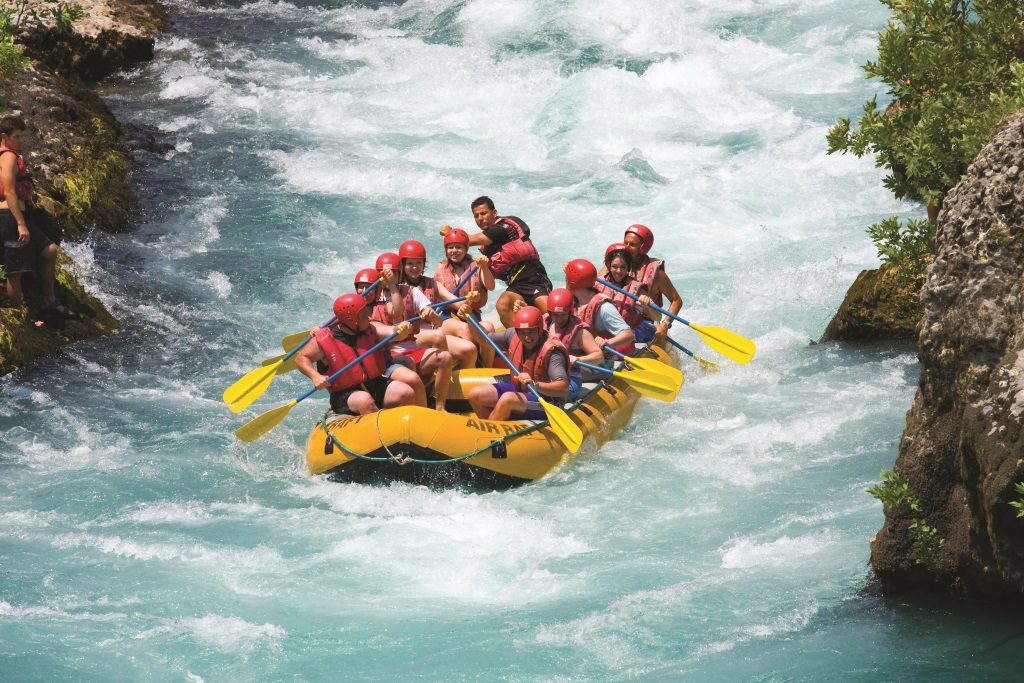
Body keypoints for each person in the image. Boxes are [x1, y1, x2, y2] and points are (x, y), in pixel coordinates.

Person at [0, 116, 78, 325]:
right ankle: (21, 320)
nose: (20, 141)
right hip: (9, 217)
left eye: (21, 136)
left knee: (49, 250)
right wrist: (21, 223)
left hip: (18, 215)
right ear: (4, 137)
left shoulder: (12, 155)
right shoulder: (7, 158)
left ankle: (49, 300)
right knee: (14, 272)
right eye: (17, 137)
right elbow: (8, 192)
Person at [294, 293, 426, 416]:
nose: (368, 317)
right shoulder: (323, 339)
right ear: (352, 320)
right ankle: (380, 436)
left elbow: (393, 332)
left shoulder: (370, 328)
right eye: (363, 314)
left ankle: (412, 427)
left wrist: (402, 329)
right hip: (345, 394)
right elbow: (301, 358)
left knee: (406, 392)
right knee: (365, 400)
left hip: (374, 383)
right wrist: (315, 376)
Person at [439, 196, 551, 327]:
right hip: (516, 284)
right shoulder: (489, 247)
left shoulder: (503, 229)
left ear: (494, 213)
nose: (480, 218)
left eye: (484, 213)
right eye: (476, 216)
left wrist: (450, 233)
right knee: (503, 304)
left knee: (550, 311)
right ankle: (520, 343)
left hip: (534, 280)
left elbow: (467, 240)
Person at [466, 306, 570, 421]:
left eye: (531, 331)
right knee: (475, 394)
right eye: (522, 332)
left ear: (540, 329)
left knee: (507, 399)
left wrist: (535, 384)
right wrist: (470, 316)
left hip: (547, 402)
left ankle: (492, 433)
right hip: (521, 391)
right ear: (517, 330)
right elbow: (483, 339)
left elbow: (563, 388)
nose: (527, 337)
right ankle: (496, 426)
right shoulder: (512, 335)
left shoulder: (553, 352)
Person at [396, 238, 478, 370]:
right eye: (410, 263)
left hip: (434, 330)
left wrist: (467, 302)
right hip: (411, 336)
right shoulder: (396, 289)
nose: (415, 267)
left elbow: (456, 302)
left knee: (470, 349)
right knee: (438, 336)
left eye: (419, 263)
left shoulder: (431, 283)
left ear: (424, 264)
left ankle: (462, 377)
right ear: (402, 265)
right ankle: (445, 370)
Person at [602, 223, 683, 340]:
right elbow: (593, 284)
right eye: (626, 243)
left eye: (633, 245)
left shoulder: (656, 273)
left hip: (644, 321)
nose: (627, 247)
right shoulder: (615, 264)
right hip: (615, 317)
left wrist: (665, 324)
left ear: (643, 247)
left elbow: (676, 300)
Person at [542, 287, 603, 402]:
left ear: (570, 312)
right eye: (555, 315)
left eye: (563, 315)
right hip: (545, 375)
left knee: (544, 396)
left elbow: (599, 356)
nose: (559, 319)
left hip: (570, 380)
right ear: (550, 313)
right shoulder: (545, 322)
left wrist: (578, 359)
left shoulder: (580, 331)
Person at [564, 258, 635, 356]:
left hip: (596, 364)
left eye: (567, 279)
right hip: (575, 360)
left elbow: (628, 335)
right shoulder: (574, 301)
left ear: (571, 283)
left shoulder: (604, 307)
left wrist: (607, 343)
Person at [595, 242, 661, 344]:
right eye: (615, 266)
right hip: (599, 336)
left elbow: (658, 316)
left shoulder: (638, 289)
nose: (618, 271)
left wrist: (647, 306)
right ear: (608, 265)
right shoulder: (597, 283)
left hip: (627, 337)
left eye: (623, 267)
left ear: (628, 267)